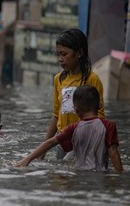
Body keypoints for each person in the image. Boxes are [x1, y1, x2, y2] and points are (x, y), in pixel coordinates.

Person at [15, 85, 123, 173]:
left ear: (75, 109)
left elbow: (50, 143)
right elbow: (113, 152)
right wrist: (120, 174)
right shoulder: (109, 126)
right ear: (100, 106)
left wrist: (27, 159)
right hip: (101, 174)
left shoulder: (73, 127)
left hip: (79, 174)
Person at [43, 28, 105, 160]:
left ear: (79, 53)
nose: (60, 59)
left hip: (83, 140)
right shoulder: (59, 79)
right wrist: (44, 148)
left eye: (64, 54)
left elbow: (99, 115)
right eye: (58, 54)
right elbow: (56, 115)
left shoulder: (92, 80)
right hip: (62, 140)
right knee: (60, 177)